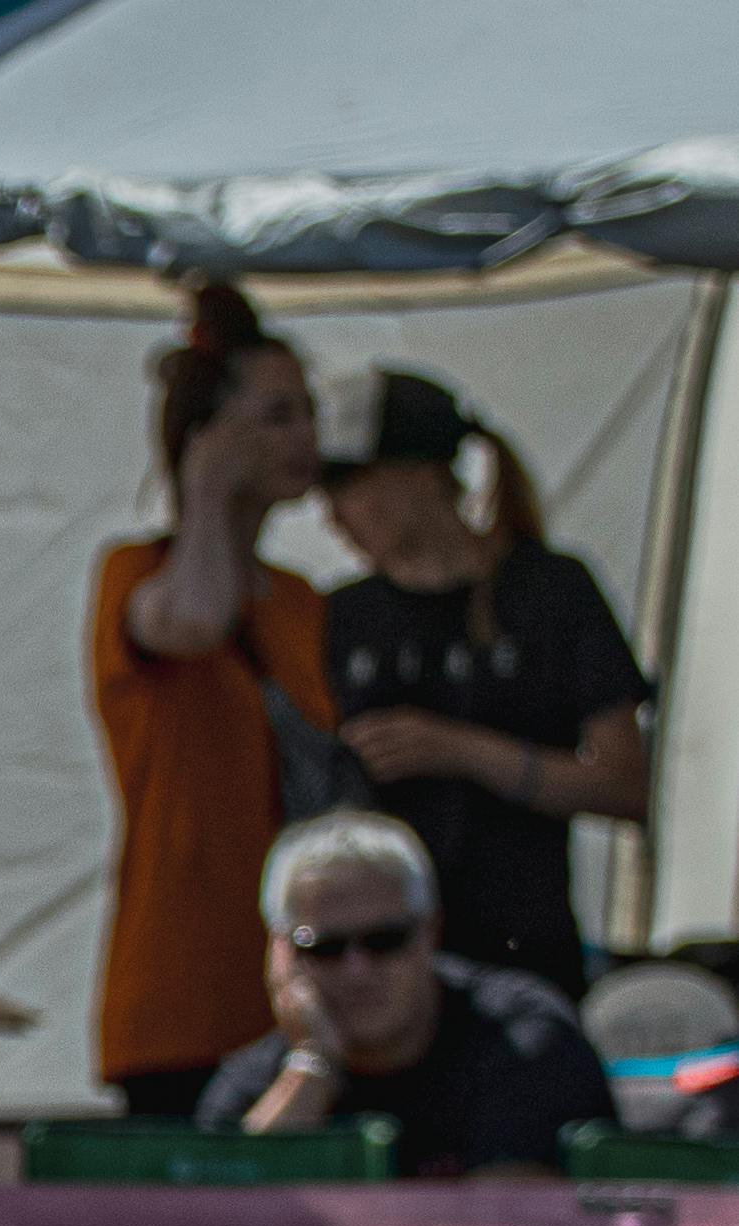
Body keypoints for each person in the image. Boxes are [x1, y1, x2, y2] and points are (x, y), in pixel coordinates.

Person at [320, 366, 653, 995]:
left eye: (353, 486)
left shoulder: (549, 592)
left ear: (422, 476)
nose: (336, 516)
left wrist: (460, 750)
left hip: (525, 953)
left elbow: (626, 788)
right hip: (381, 967)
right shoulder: (340, 616)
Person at [92, 286, 332, 1120]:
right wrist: (202, 490)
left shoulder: (305, 602)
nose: (306, 437)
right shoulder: (136, 575)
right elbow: (192, 621)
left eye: (307, 413)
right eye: (276, 416)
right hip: (181, 995)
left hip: (305, 989)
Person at [198, 813, 601, 1180]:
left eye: (384, 940)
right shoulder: (256, 1084)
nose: (357, 970)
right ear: (281, 956)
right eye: (324, 947)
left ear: (431, 931)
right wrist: (313, 1064)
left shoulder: (520, 1036)